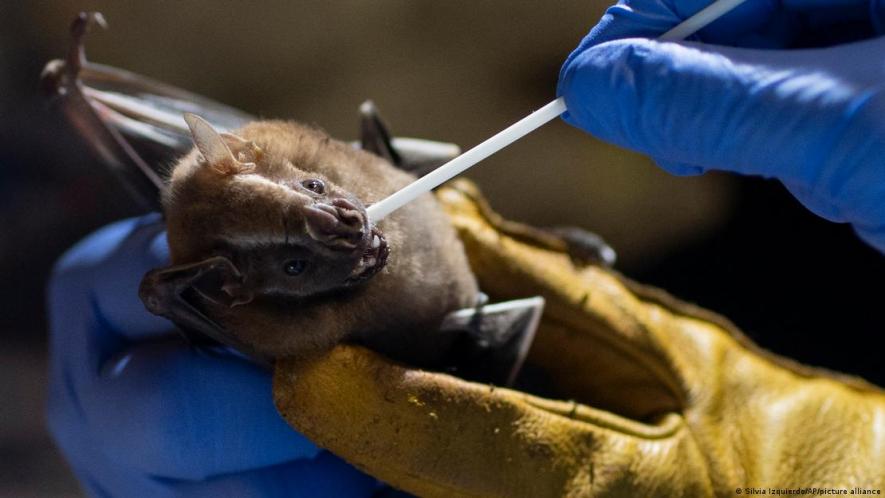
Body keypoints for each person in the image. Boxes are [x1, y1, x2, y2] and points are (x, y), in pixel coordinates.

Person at [47, 1, 885, 496]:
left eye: (314, 200)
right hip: (440, 336)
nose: (345, 240)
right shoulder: (266, 303)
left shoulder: (322, 162)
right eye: (303, 264)